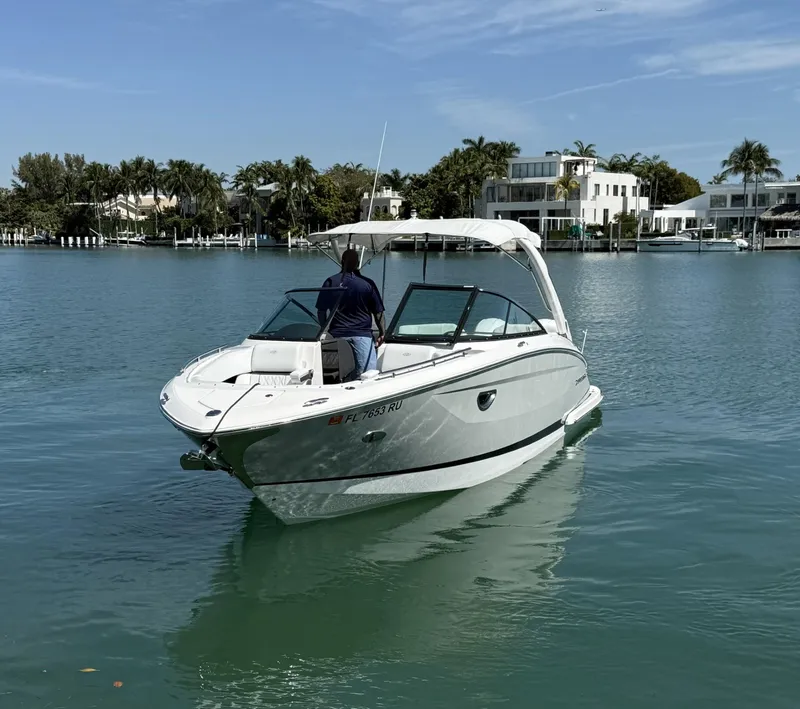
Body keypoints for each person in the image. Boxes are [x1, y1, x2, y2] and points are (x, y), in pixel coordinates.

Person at [316, 248, 385, 380]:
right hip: (362, 336)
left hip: (336, 336)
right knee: (368, 376)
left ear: (342, 261)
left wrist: (323, 330)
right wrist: (382, 333)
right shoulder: (367, 284)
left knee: (336, 376)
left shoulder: (330, 282)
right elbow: (378, 313)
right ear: (357, 263)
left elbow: (321, 311)